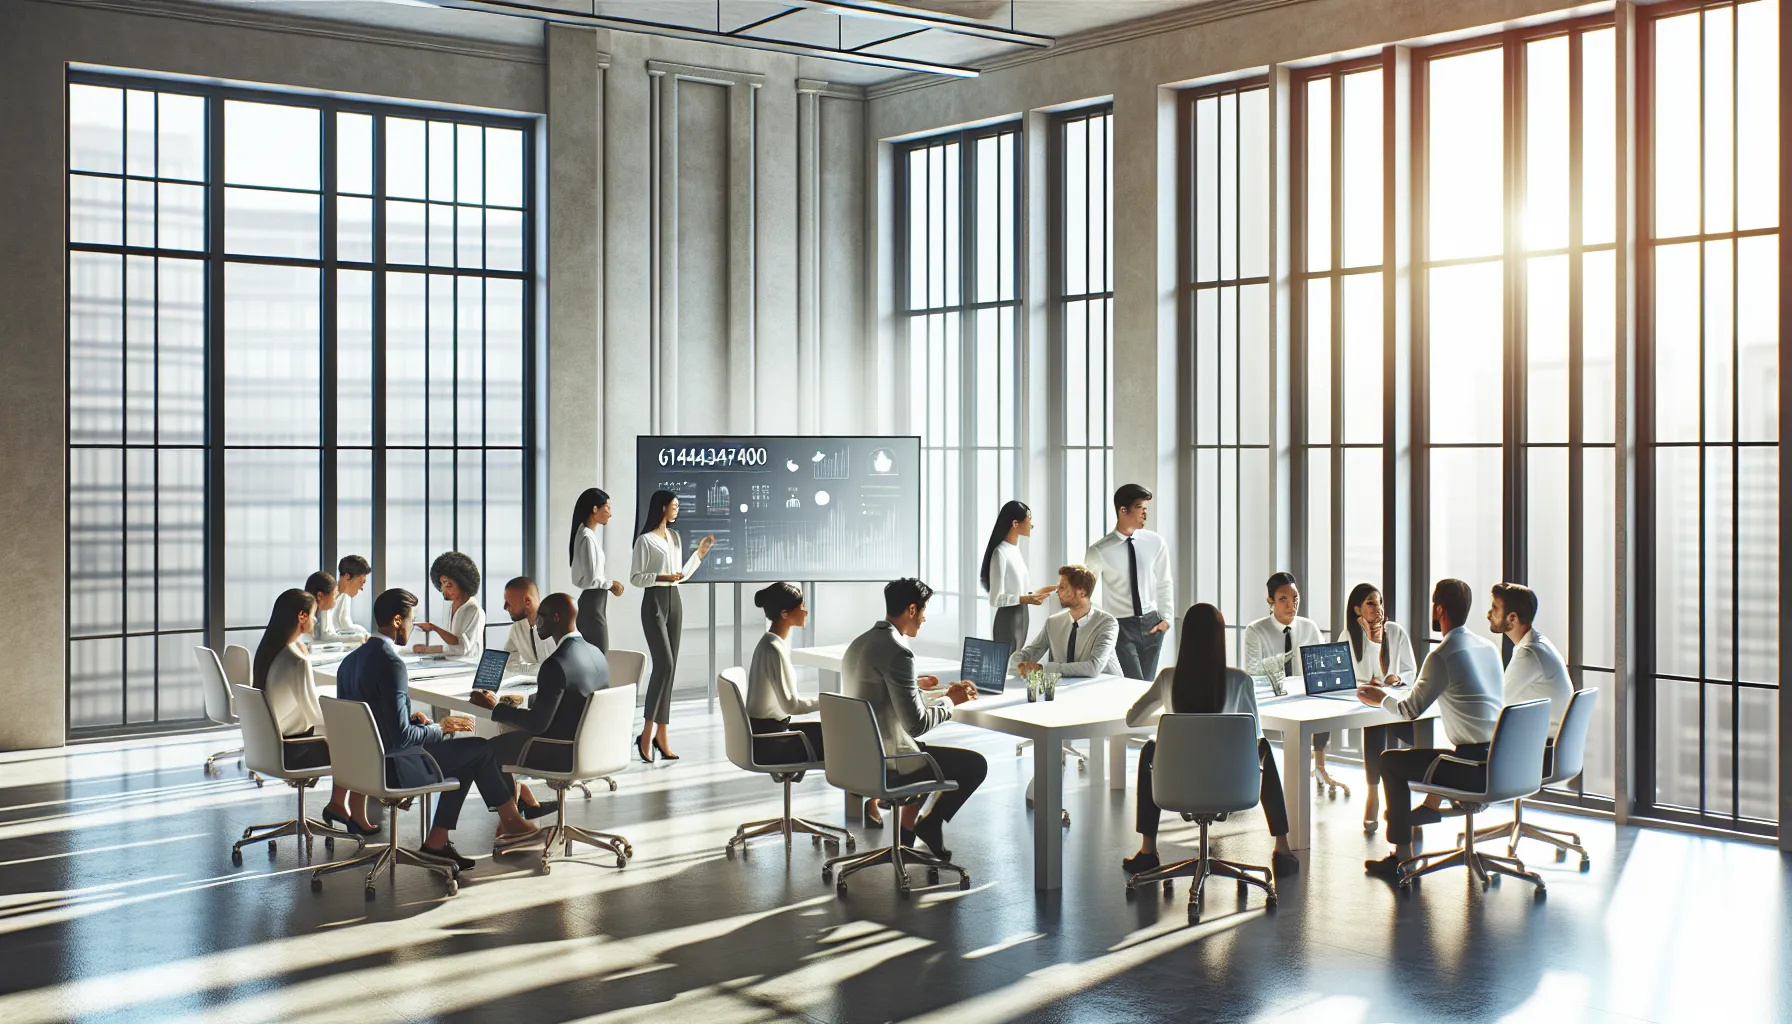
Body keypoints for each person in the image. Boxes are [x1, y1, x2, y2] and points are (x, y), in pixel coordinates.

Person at [334, 588, 536, 869]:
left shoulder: (349, 662)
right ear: (395, 621)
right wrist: (440, 727)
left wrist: (409, 716)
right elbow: (402, 739)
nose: (411, 628)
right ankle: (510, 820)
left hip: (361, 766)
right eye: (409, 620)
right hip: (393, 767)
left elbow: (370, 717)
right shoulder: (391, 663)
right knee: (479, 749)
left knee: (467, 753)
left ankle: (440, 841)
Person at [1123, 603, 1298, 876]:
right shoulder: (1240, 682)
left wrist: (1168, 721)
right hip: (1231, 787)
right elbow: (1256, 737)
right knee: (1264, 749)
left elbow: (1132, 718)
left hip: (1176, 787)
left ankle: (1147, 851)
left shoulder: (1169, 678)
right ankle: (1282, 849)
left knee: (1149, 750)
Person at [1359, 578, 1505, 880]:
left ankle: (1401, 857)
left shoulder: (1441, 655)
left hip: (1470, 767)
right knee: (1425, 754)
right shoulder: (1488, 647)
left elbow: (1409, 710)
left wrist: (1380, 697)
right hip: (1501, 759)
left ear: (1439, 609)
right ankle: (1423, 813)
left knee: (1390, 761)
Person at [842, 578, 987, 860]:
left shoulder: (860, 644)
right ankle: (929, 823)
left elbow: (882, 697)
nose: (924, 618)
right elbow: (916, 724)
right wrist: (951, 701)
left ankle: (907, 830)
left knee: (924, 752)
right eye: (923, 610)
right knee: (974, 765)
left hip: (859, 759)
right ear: (911, 609)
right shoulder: (899, 653)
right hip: (890, 763)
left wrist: (940, 691)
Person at [252, 588, 377, 834]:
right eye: (313, 614)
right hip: (294, 750)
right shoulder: (297, 660)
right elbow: (313, 713)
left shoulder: (272, 650)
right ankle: (355, 814)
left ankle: (338, 804)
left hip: (270, 745)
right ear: (301, 616)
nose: (316, 619)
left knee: (346, 734)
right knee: (363, 739)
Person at [472, 592, 606, 819]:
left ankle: (512, 822)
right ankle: (524, 802)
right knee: (507, 736)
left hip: (559, 751)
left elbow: (537, 725)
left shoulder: (555, 663)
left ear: (556, 618)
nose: (535, 622)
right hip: (590, 747)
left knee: (483, 751)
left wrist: (495, 707)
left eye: (541, 616)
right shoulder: (596, 654)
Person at [629, 489, 715, 763]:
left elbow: (681, 575)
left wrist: (699, 555)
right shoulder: (645, 541)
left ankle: (661, 735)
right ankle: (645, 733)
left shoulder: (675, 538)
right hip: (654, 601)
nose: (677, 509)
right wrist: (662, 576)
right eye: (674, 505)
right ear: (662, 507)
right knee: (663, 664)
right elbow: (636, 578)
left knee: (671, 667)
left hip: (674, 600)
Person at [1343, 582, 1421, 834]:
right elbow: (1348, 675)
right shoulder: (1349, 635)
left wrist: (1397, 678)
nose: (1379, 609)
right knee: (1374, 724)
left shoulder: (1395, 631)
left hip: (1395, 701)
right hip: (1367, 702)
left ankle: (1381, 797)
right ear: (1357, 609)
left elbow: (1410, 669)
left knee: (1381, 724)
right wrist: (1370, 638)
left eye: (1380, 603)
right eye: (1371, 604)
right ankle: (1373, 795)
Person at [1241, 572, 1333, 785]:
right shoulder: (1256, 630)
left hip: (1304, 696)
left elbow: (1321, 667)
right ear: (1270, 601)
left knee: (1326, 702)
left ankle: (1319, 767)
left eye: (1295, 598)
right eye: (1283, 599)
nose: (1291, 605)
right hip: (1270, 697)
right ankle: (1261, 772)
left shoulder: (1309, 627)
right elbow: (1255, 672)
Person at [1084, 483, 1175, 680]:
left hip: (1152, 624)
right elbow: (1087, 593)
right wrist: (1104, 623)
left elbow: (1164, 581)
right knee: (1133, 684)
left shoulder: (1155, 542)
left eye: (1146, 509)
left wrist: (1166, 620)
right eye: (1140, 508)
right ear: (1123, 510)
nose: (1145, 514)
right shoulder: (1098, 550)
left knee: (1147, 686)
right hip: (1121, 627)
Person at [745, 583, 827, 765]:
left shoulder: (769, 643)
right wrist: (826, 701)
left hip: (765, 734)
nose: (805, 612)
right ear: (784, 613)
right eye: (801, 607)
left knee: (832, 733)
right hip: (770, 742)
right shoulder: (773, 650)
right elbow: (792, 706)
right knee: (841, 741)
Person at [1489, 582, 1573, 737]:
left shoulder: (1528, 654)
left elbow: (1498, 706)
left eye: (1495, 608)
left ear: (1512, 618)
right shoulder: (1538, 644)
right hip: (1547, 745)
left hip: (1540, 750)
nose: (1489, 614)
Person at [1012, 564, 1122, 679]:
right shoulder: (1053, 623)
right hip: (1066, 690)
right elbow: (1030, 652)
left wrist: (1045, 669)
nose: (1056, 591)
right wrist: (1016, 663)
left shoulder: (1107, 623)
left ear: (1082, 592)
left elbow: (1093, 667)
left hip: (1105, 689)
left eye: (1062, 587)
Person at [980, 500, 1052, 654]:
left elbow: (1018, 590)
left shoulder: (1014, 550)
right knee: (1006, 666)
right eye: (1029, 519)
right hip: (1008, 621)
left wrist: (1041, 592)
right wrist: (1024, 599)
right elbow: (995, 599)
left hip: (1022, 617)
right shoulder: (1000, 553)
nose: (1031, 524)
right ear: (1015, 523)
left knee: (1015, 664)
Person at [569, 487, 625, 651]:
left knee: (595, 655)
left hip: (593, 603)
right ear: (595, 509)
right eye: (607, 508)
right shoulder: (587, 537)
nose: (610, 513)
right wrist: (611, 584)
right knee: (600, 655)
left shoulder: (585, 534)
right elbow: (593, 578)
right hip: (593, 604)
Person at [414, 551, 486, 658]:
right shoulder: (452, 605)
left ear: (463, 583)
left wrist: (427, 648)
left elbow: (462, 649)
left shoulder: (474, 610)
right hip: (451, 664)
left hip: (468, 667)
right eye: (442, 584)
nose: (443, 589)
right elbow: (451, 642)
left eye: (449, 585)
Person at [501, 576, 558, 671]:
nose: (505, 607)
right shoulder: (516, 629)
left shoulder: (557, 625)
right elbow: (508, 665)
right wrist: (535, 669)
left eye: (508, 603)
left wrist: (527, 669)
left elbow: (561, 667)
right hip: (532, 684)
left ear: (527, 602)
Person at [317, 555, 372, 643]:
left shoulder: (345, 597)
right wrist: (357, 638)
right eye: (361, 582)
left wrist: (366, 634)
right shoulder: (327, 596)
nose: (361, 588)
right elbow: (325, 635)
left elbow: (346, 626)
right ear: (347, 577)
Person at [302, 571, 357, 646]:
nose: (336, 599)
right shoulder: (304, 617)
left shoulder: (322, 611)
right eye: (334, 595)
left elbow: (326, 636)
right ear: (320, 596)